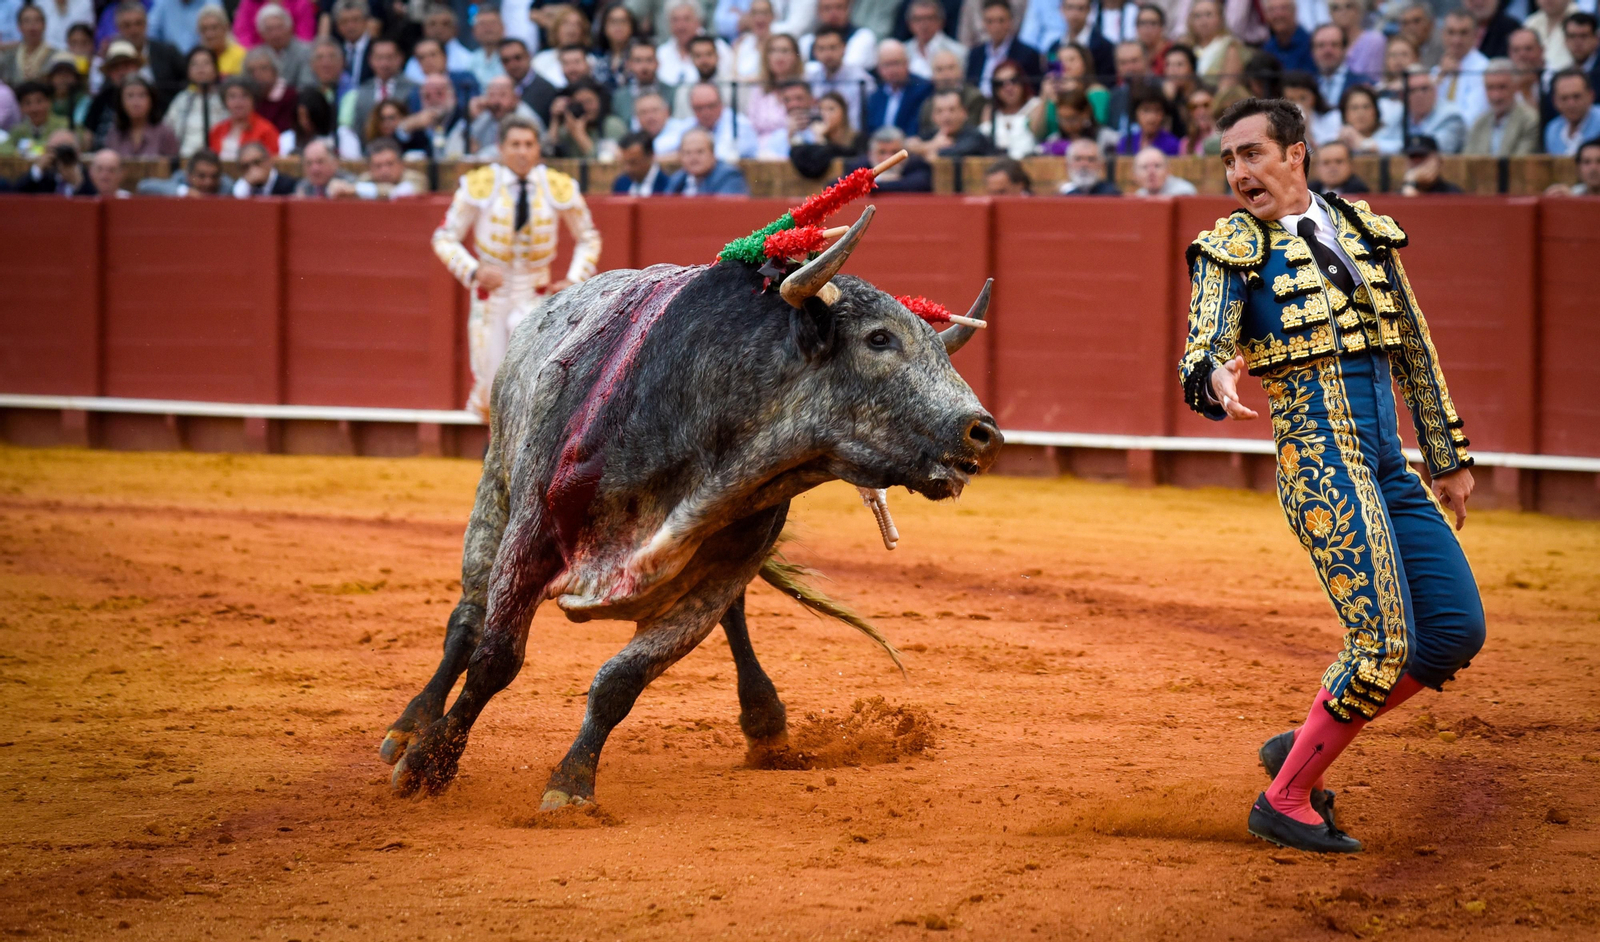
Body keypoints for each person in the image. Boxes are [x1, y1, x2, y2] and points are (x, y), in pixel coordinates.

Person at [1182, 97, 1482, 856]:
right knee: (1380, 644)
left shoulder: (1362, 229)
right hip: (1321, 462)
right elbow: (1204, 343)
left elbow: (1414, 346)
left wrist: (1446, 458)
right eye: (1227, 160)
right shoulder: (1229, 248)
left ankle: (1306, 741)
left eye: (1251, 153)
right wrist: (1215, 376)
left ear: (1296, 155)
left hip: (1387, 461)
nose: (1238, 172)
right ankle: (1283, 799)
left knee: (1451, 632)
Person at [433, 114, 601, 420]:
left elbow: (588, 237)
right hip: (491, 295)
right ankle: (495, 446)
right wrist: (474, 272)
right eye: (515, 144)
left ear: (538, 148)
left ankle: (518, 455)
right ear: (501, 148)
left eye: (529, 144)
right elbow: (444, 237)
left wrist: (575, 279)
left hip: (535, 293)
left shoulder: (557, 186)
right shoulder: (480, 185)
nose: (522, 151)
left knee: (533, 378)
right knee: (489, 383)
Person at [1465, 58, 1541, 155]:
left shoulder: (1529, 120)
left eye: (1502, 87)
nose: (1496, 95)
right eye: (1490, 88)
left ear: (1516, 87)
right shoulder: (1479, 123)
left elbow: (1519, 163)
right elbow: (1467, 161)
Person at [806, 25, 876, 129]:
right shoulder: (810, 79)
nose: (827, 54)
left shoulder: (861, 80)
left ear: (844, 48)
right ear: (814, 52)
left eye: (833, 47)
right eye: (821, 49)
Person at [966, 0, 1041, 95]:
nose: (996, 26)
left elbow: (1033, 91)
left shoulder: (1027, 54)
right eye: (990, 21)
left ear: (1010, 21)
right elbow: (969, 87)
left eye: (1001, 20)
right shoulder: (975, 54)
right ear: (984, 24)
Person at [344, 39, 417, 135]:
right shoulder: (362, 91)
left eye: (389, 57)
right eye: (379, 58)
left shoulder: (414, 89)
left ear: (400, 58)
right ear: (370, 60)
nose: (384, 64)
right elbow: (358, 128)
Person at [867, 39, 933, 137]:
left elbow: (919, 128)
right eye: (887, 65)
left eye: (897, 63)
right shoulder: (876, 96)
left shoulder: (923, 88)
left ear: (907, 63)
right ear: (879, 68)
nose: (893, 70)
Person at [1434, 10, 1488, 128]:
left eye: (1464, 33)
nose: (1456, 40)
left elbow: (1473, 118)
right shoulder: (1436, 72)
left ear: (1475, 35)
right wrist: (1440, 78)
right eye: (1451, 32)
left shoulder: (1484, 69)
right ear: (1442, 34)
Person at [658, 0, 732, 85]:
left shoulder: (720, 49)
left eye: (686, 19)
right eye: (675, 20)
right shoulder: (661, 54)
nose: (681, 26)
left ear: (698, 21)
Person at [790, 88, 863, 174]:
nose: (825, 114)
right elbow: (813, 167)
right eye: (821, 109)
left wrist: (821, 140)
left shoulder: (858, 139)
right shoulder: (812, 137)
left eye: (831, 109)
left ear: (843, 112)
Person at [104, 75, 180, 157]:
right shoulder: (114, 134)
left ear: (151, 100)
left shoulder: (165, 133)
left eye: (142, 95)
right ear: (121, 102)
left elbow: (174, 167)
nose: (136, 102)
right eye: (130, 96)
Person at [744, 33, 803, 137]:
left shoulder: (804, 88)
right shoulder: (759, 90)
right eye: (773, 51)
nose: (779, 56)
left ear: (795, 55)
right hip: (762, 149)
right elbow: (751, 125)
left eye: (785, 51)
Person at [908, 86, 995, 157]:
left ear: (964, 113)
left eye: (952, 110)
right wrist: (932, 145)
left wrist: (925, 149)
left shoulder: (975, 136)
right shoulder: (933, 134)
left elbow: (952, 153)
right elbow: (908, 145)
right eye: (940, 111)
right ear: (933, 116)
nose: (946, 116)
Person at [917, 48, 984, 136]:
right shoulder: (927, 103)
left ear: (961, 71)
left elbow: (971, 132)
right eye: (939, 69)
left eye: (951, 68)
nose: (946, 74)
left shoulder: (975, 98)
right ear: (932, 76)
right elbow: (923, 134)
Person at [981, 59, 1040, 157]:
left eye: (1013, 81)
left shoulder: (1035, 105)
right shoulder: (990, 110)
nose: (1008, 88)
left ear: (1023, 81)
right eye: (1000, 84)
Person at [844, 124, 933, 189]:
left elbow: (920, 183)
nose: (888, 159)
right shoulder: (858, 167)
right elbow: (837, 185)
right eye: (882, 152)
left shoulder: (917, 166)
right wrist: (878, 179)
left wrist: (878, 183)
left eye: (895, 152)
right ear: (870, 154)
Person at [209, 76, 279, 157]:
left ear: (254, 100)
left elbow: (272, 162)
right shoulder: (217, 130)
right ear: (225, 101)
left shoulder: (266, 130)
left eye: (245, 96)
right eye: (232, 96)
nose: (238, 102)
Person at [666, 125, 750, 193]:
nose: (693, 158)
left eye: (700, 152)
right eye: (687, 153)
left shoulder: (729, 176)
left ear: (713, 154)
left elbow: (724, 210)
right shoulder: (678, 179)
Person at [799, 0, 878, 71]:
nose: (833, 13)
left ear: (849, 9)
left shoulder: (863, 36)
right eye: (827, 8)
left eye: (839, 7)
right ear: (818, 12)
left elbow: (851, 67)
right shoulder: (807, 41)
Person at [1401, 67, 1465, 154]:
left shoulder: (1451, 115)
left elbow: (1433, 148)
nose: (1419, 95)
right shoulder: (1400, 114)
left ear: (1435, 90)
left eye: (1424, 89)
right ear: (1404, 96)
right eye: (1412, 90)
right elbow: (1380, 140)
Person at [612, 40, 676, 125]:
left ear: (658, 63)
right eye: (638, 60)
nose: (644, 66)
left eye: (649, 60)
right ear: (629, 64)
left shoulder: (672, 93)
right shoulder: (620, 97)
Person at [497, 38, 559, 125]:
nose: (512, 65)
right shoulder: (498, 88)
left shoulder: (547, 90)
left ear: (528, 56)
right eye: (506, 61)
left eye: (517, 58)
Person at [1186, 0, 1243, 92]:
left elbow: (1227, 88)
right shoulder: (1187, 47)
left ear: (1220, 19)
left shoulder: (1230, 47)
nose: (1203, 21)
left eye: (1208, 14)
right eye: (1197, 16)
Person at [252, 3, 313, 90]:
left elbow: (307, 85)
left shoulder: (306, 52)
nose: (275, 34)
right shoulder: (255, 56)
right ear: (261, 33)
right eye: (269, 29)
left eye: (279, 27)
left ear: (290, 28)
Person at [0, 81, 69, 157]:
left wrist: (25, 149)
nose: (34, 108)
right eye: (27, 103)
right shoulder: (19, 130)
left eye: (39, 101)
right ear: (21, 107)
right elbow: (3, 148)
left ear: (49, 102)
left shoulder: (63, 125)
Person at [903, 0, 966, 80]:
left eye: (929, 18)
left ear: (941, 21)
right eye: (918, 19)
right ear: (909, 23)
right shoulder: (903, 51)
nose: (924, 24)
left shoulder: (958, 51)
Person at [12, 129, 89, 192]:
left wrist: (77, 182)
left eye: (65, 151)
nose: (60, 155)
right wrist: (37, 169)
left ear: (78, 152)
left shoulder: (89, 176)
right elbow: (15, 195)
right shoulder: (44, 177)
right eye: (54, 150)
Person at [345, 136, 425, 197]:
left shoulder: (416, 179)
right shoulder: (365, 180)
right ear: (370, 168)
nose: (384, 170)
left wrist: (358, 189)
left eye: (390, 164)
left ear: (401, 164)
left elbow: (396, 193)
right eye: (378, 166)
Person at [245, 47, 299, 134]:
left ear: (275, 70)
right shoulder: (247, 98)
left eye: (263, 68)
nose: (257, 74)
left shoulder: (290, 96)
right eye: (251, 71)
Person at [1312, 23, 1369, 107]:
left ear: (1345, 49)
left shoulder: (1363, 84)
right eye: (1321, 45)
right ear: (1312, 51)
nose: (1327, 51)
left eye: (1334, 45)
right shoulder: (1307, 86)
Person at [1546, 67, 1600, 154]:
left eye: (1576, 96)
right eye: (1564, 98)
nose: (1571, 104)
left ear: (1591, 95)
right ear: (1554, 101)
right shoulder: (1552, 131)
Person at [1, 5, 56, 87]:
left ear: (44, 25)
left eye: (37, 20)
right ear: (19, 27)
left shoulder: (56, 56)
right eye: (27, 21)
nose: (32, 26)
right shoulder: (9, 57)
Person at [136, 147, 227, 195]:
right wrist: (183, 192)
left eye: (214, 176)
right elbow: (143, 186)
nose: (208, 182)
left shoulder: (225, 185)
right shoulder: (180, 180)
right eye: (201, 176)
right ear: (189, 176)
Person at [1337, 83, 1397, 154]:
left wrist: (1364, 144)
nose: (1361, 113)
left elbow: (1401, 148)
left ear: (1375, 111)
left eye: (1366, 107)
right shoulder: (1339, 137)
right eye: (1354, 108)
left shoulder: (1389, 134)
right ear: (1345, 114)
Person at [1329, 0, 1383, 79]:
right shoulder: (1328, 43)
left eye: (1349, 6)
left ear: (1358, 10)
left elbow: (1373, 78)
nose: (1343, 11)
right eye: (1336, 8)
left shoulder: (1374, 40)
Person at [1117, 83, 1178, 153]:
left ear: (1163, 114)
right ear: (1136, 113)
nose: (1152, 117)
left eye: (1157, 110)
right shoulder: (1125, 143)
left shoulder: (1172, 144)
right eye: (1146, 110)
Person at [1283, 70, 1340, 145]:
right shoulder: (1278, 123)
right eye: (1291, 100)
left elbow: (1330, 151)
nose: (1297, 104)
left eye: (1303, 98)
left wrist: (1307, 130)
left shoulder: (1331, 117)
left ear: (1314, 97)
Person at [1396, 133, 1461, 194]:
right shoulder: (1398, 195)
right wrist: (1410, 184)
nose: (1417, 161)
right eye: (1412, 156)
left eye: (1422, 156)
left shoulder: (1452, 193)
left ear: (1438, 160)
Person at [1261, 0, 1313, 74]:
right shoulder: (1267, 49)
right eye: (1271, 10)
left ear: (1295, 12)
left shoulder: (1311, 45)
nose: (1278, 15)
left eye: (1283, 8)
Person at [612, 129, 669, 194]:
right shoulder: (621, 183)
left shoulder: (668, 185)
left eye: (633, 163)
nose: (628, 168)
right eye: (625, 163)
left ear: (650, 156)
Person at [230, 140, 297, 195]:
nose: (252, 169)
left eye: (257, 162)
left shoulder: (290, 186)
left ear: (269, 161)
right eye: (245, 166)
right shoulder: (240, 188)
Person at [196, 4, 244, 77]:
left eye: (214, 28)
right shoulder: (196, 60)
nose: (209, 34)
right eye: (204, 29)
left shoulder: (241, 57)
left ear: (226, 28)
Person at [1131, 143, 1196, 194]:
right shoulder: (1140, 195)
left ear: (1168, 170)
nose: (1151, 172)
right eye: (1145, 167)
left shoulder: (1184, 192)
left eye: (1157, 166)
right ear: (1135, 174)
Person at [1396, 1, 1442, 69]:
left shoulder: (1444, 46)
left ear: (1431, 23)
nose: (1410, 28)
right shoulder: (1394, 48)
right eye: (1405, 23)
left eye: (1416, 21)